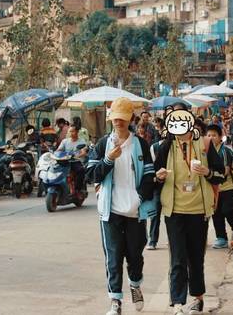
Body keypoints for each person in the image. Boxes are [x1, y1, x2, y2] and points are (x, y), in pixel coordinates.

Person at [86, 97, 157, 315]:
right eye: (115, 118)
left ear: (131, 120)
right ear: (110, 120)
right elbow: (90, 175)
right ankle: (115, 301)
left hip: (135, 211)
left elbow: (149, 176)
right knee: (113, 257)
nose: (119, 122)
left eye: (123, 119)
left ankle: (135, 284)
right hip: (111, 211)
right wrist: (108, 160)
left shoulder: (140, 144)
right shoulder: (102, 145)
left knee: (135, 255)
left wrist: (139, 198)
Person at [152, 107, 225, 315]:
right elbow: (153, 179)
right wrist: (159, 176)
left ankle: (198, 298)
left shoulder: (203, 144)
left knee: (195, 257)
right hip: (174, 210)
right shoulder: (166, 146)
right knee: (177, 258)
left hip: (199, 210)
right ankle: (177, 303)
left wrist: (207, 172)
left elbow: (220, 175)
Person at [206, 125, 233, 249]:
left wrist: (210, 173)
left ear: (220, 137)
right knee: (216, 213)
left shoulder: (224, 151)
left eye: (214, 135)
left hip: (228, 187)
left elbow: (225, 171)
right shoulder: (205, 151)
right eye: (209, 135)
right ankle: (221, 238)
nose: (211, 138)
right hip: (214, 188)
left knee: (227, 210)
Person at [57, 126, 88, 191]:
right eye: (70, 131)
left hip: (75, 161)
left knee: (81, 170)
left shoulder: (82, 141)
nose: (71, 133)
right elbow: (59, 150)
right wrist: (58, 153)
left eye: (72, 131)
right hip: (65, 161)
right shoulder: (65, 141)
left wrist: (78, 156)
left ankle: (78, 189)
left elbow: (84, 152)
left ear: (77, 132)